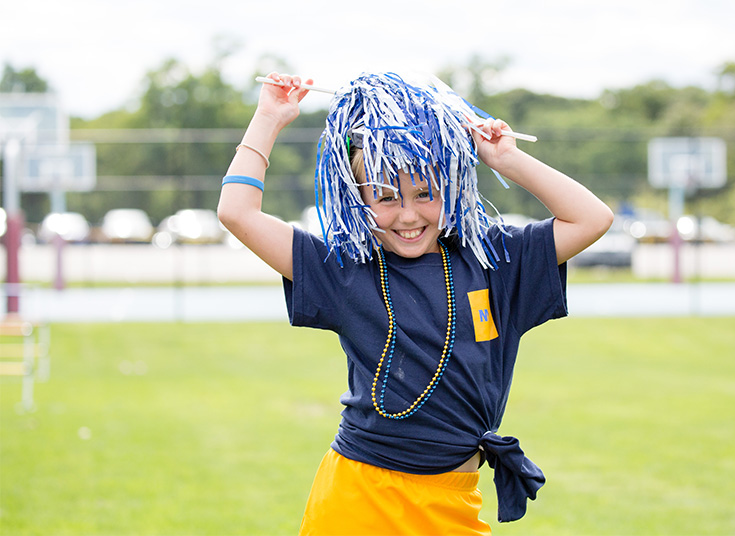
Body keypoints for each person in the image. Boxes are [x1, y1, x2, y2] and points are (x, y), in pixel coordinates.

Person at [218, 71, 613, 535]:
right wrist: (268, 117)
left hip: (452, 504)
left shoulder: (492, 260)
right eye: (385, 197)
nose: (408, 214)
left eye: (425, 193)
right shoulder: (346, 267)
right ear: (357, 197)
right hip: (358, 498)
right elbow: (236, 213)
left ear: (451, 183)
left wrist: (506, 158)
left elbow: (592, 218)